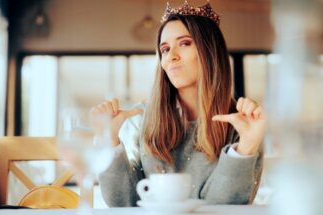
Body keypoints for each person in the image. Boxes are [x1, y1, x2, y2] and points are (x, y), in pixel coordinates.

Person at [94, 1, 266, 207]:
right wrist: (109, 141)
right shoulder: (141, 121)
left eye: (184, 43)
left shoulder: (243, 124)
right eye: (164, 49)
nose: (171, 57)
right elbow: (125, 204)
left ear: (209, 51)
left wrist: (245, 149)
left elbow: (224, 208)